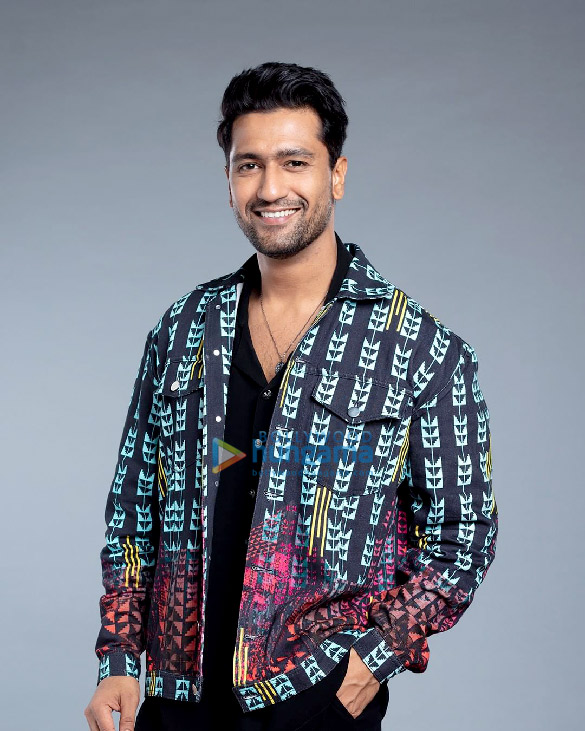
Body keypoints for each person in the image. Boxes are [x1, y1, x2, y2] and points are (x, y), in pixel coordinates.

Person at [84, 61, 498, 731]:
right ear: (228, 181)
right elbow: (132, 515)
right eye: (248, 165)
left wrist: (368, 665)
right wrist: (119, 659)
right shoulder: (182, 329)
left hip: (314, 696)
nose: (270, 187)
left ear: (336, 174)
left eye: (294, 162)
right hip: (171, 699)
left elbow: (463, 536)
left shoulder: (421, 347)